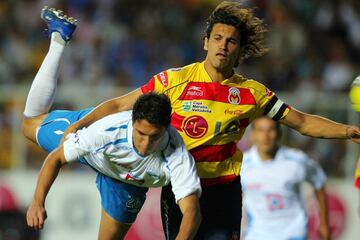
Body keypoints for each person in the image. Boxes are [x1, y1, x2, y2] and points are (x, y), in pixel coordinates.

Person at [60, 1, 360, 239]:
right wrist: (80, 124)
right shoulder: (174, 80)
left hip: (224, 189)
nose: (223, 45)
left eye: (231, 41)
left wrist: (348, 130)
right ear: (205, 42)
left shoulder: (252, 93)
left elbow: (302, 122)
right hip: (181, 188)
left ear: (239, 50)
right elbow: (119, 103)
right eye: (217, 38)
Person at [22, 7, 202, 240]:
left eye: (154, 137)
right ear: (133, 121)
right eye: (141, 134)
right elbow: (56, 158)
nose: (146, 144)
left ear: (166, 129)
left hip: (125, 183)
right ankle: (58, 40)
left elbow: (192, 212)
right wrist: (37, 202)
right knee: (28, 126)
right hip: (93, 147)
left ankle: (58, 36)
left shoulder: (176, 154)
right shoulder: (106, 131)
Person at [240, 117, 330, 240]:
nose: (265, 136)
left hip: (293, 233)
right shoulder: (242, 164)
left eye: (270, 130)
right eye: (260, 130)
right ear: (253, 135)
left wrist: (324, 224)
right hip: (257, 234)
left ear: (279, 133)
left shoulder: (297, 160)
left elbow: (319, 182)